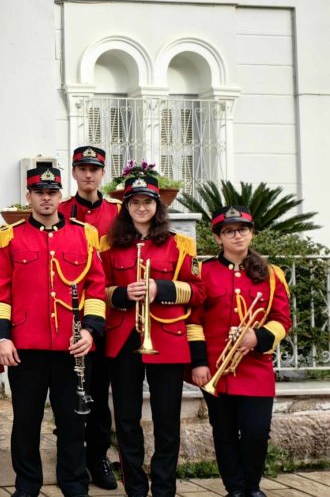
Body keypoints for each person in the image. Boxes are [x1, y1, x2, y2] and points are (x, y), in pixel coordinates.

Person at [0, 165, 107, 497]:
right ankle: (27, 485)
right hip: (26, 345)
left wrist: (90, 332)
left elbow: (96, 288)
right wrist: (2, 337)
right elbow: (0, 292)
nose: (46, 198)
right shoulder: (9, 236)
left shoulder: (84, 234)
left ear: (60, 195)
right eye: (39, 192)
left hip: (74, 348)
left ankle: (74, 484)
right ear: (29, 197)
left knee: (73, 422)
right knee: (26, 421)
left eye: (52, 192)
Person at [101, 174, 203, 497]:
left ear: (157, 206)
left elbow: (199, 291)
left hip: (166, 338)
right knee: (127, 422)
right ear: (126, 206)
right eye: (135, 202)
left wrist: (163, 288)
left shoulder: (180, 244)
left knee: (166, 422)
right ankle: (134, 488)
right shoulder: (109, 246)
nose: (141, 207)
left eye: (147, 202)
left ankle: (163, 489)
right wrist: (119, 294)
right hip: (123, 338)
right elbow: (96, 289)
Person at [189, 205, 292, 497]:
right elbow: (193, 322)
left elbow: (283, 321)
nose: (237, 236)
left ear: (252, 234)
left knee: (256, 432)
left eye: (242, 230)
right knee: (223, 434)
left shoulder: (271, 274)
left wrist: (257, 336)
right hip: (215, 369)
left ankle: (252, 487)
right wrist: (198, 363)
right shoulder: (203, 272)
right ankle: (234, 489)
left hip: (255, 367)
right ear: (218, 238)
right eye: (229, 231)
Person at [58, 145, 119, 490]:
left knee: (98, 390)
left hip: (105, 315)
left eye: (94, 169)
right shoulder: (61, 210)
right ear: (73, 171)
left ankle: (97, 456)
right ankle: (72, 459)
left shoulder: (118, 213)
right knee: (69, 390)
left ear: (102, 172)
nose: (88, 174)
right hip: (68, 316)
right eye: (82, 168)